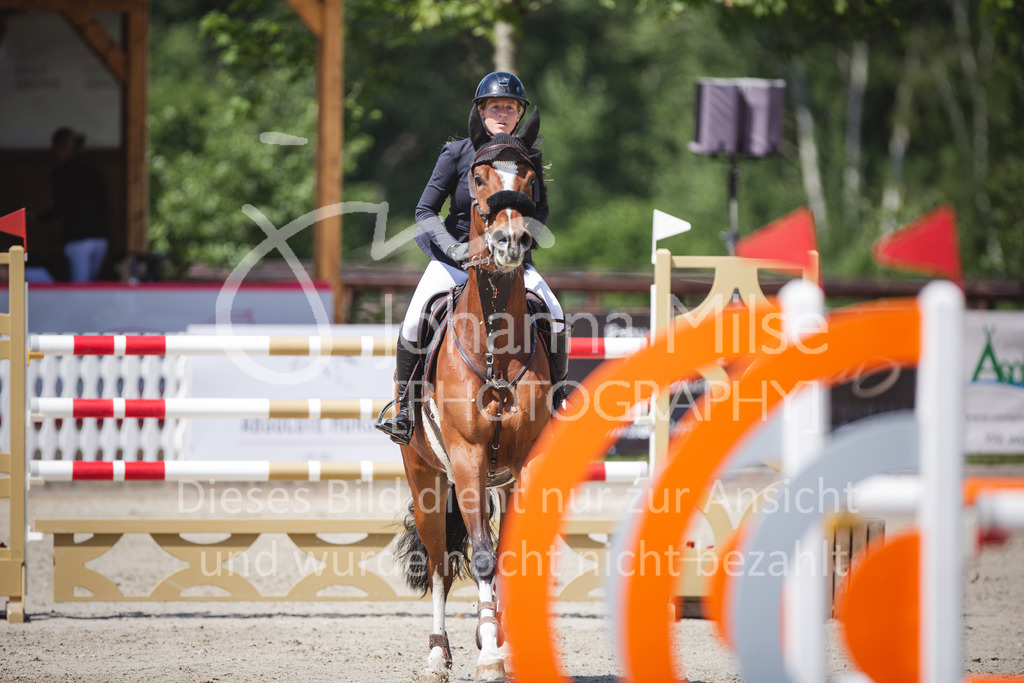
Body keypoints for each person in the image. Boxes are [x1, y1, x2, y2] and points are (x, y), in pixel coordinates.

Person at [375, 71, 569, 446]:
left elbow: (540, 209)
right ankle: (404, 409)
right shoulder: (457, 153)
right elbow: (425, 211)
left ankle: (558, 402)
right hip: (456, 257)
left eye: (510, 108)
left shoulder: (528, 157)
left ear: (519, 114)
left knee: (556, 314)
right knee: (415, 321)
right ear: (481, 111)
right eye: (495, 106)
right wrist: (453, 249)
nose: (502, 113)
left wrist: (523, 241)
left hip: (510, 260)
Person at [38, 127, 111, 282]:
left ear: (58, 148)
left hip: (78, 238)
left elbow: (60, 205)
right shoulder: (93, 169)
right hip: (101, 236)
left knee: (80, 289)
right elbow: (105, 204)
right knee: (90, 286)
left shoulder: (62, 172)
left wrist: (37, 218)